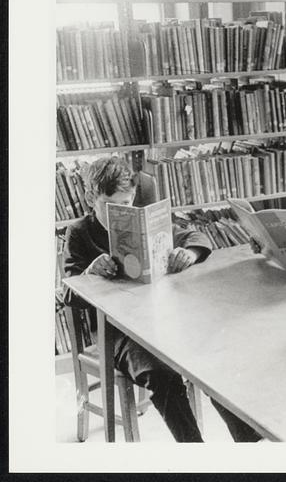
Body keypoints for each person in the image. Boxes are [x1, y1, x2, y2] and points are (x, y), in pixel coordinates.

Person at [63, 157, 261, 442]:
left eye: (127, 204)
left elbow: (198, 237)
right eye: (110, 205)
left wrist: (189, 253)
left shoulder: (144, 222)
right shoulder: (79, 233)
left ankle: (250, 442)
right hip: (116, 334)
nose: (121, 212)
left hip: (159, 319)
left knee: (208, 357)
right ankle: (193, 449)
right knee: (161, 373)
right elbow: (68, 294)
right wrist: (90, 272)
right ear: (91, 197)